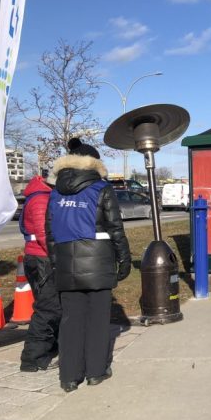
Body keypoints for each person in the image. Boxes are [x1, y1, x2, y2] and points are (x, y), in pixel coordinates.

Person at [45, 138, 131, 392]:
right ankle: (96, 371)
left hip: (67, 264)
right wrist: (124, 259)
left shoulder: (56, 191)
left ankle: (69, 376)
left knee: (71, 320)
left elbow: (49, 232)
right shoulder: (102, 188)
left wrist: (55, 263)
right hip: (98, 263)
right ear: (94, 163)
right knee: (97, 319)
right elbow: (115, 228)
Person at [19, 172, 61, 372]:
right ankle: (33, 358)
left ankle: (50, 347)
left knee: (49, 305)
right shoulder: (41, 199)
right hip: (42, 258)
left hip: (37, 257)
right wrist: (57, 258)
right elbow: (44, 233)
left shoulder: (38, 195)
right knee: (48, 308)